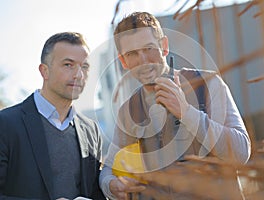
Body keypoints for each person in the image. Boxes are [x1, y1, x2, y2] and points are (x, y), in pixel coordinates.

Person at [99, 12, 251, 200]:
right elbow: (108, 169)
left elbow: (241, 153)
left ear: (164, 46)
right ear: (124, 62)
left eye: (149, 48)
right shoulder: (129, 111)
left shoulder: (208, 84)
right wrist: (111, 185)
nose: (143, 60)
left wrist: (186, 112)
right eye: (132, 54)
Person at [0, 32, 106, 200]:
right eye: (68, 65)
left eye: (84, 66)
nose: (79, 75)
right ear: (44, 71)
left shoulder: (91, 130)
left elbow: (94, 192)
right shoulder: (5, 124)